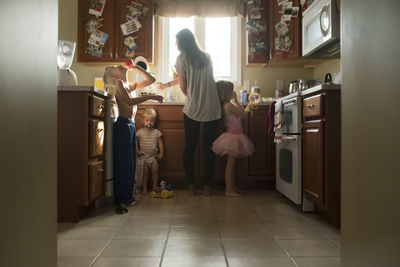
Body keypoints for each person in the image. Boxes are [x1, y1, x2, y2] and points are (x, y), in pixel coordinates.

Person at [157, 28, 221, 196]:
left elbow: (184, 85)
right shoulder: (206, 56)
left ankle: (191, 186)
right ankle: (208, 187)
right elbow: (193, 77)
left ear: (183, 43)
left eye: (177, 42)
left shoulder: (181, 58)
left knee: (190, 148)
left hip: (193, 108)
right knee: (209, 149)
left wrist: (190, 95)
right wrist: (167, 85)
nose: (176, 45)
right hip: (212, 107)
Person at [103, 64, 163, 214]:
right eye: (116, 67)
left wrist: (137, 68)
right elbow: (129, 102)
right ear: (114, 76)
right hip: (123, 125)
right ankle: (123, 198)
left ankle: (128, 197)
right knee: (125, 163)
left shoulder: (128, 85)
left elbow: (151, 79)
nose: (120, 66)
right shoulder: (118, 84)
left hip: (129, 125)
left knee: (131, 162)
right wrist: (151, 97)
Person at [212, 80, 255, 197]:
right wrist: (237, 100)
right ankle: (229, 190)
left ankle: (232, 187)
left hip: (234, 136)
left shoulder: (227, 105)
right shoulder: (229, 105)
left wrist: (244, 108)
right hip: (233, 137)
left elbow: (241, 114)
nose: (234, 92)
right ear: (227, 92)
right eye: (232, 90)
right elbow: (244, 115)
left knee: (232, 164)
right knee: (230, 165)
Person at [136, 108, 164, 194]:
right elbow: (135, 141)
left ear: (155, 122)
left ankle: (154, 187)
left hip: (153, 157)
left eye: (151, 121)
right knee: (145, 173)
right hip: (144, 157)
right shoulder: (140, 132)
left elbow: (160, 143)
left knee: (155, 171)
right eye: (147, 120)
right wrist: (137, 150)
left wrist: (161, 153)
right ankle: (144, 188)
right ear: (143, 121)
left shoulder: (156, 132)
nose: (149, 122)